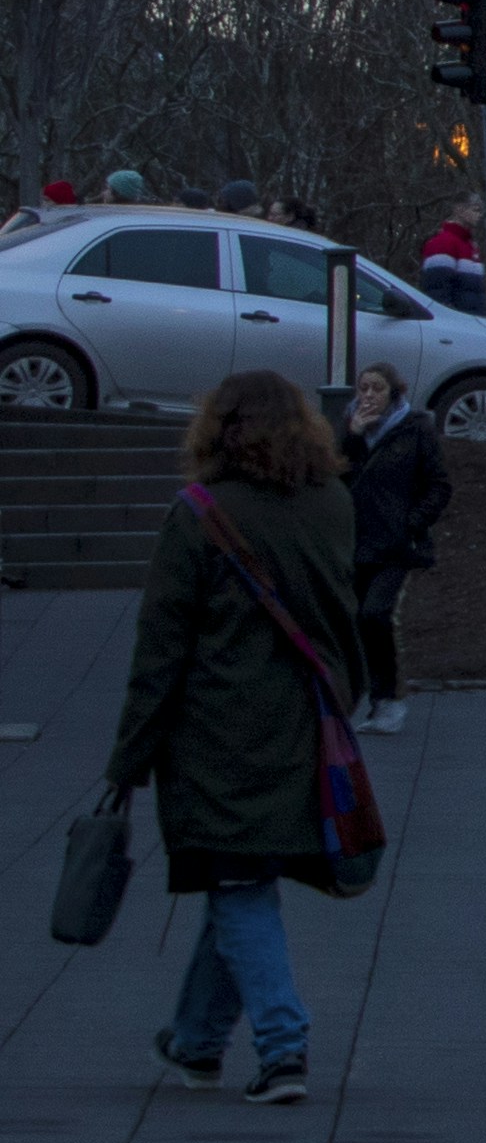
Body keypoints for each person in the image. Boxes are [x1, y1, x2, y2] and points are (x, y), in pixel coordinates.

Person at [108, 370, 368, 1105]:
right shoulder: (331, 504)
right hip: (306, 727)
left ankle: (284, 1046)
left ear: (216, 431)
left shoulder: (200, 513)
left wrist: (130, 756)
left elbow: (160, 648)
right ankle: (195, 1041)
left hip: (217, 733)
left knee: (236, 881)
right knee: (240, 877)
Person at [341, 363, 446, 723]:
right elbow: (335, 479)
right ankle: (368, 696)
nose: (368, 396)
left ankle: (389, 695)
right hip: (357, 542)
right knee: (354, 618)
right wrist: (354, 437)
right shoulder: (348, 432)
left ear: (393, 394)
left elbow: (438, 485)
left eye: (377, 389)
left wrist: (412, 523)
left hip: (397, 545)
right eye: (363, 388)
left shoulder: (415, 431)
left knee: (376, 613)